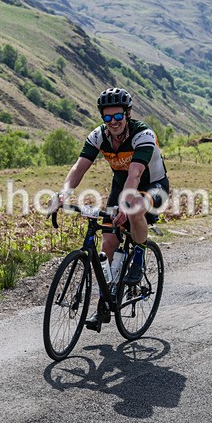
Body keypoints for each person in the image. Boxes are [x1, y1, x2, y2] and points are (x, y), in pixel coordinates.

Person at [52, 87, 169, 330]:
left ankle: (138, 257)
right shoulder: (99, 136)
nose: (113, 121)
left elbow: (135, 174)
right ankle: (105, 302)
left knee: (134, 208)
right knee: (107, 243)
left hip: (153, 185)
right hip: (121, 185)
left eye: (118, 116)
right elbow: (79, 168)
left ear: (128, 114)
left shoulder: (143, 135)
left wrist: (125, 205)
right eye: (107, 116)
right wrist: (64, 193)